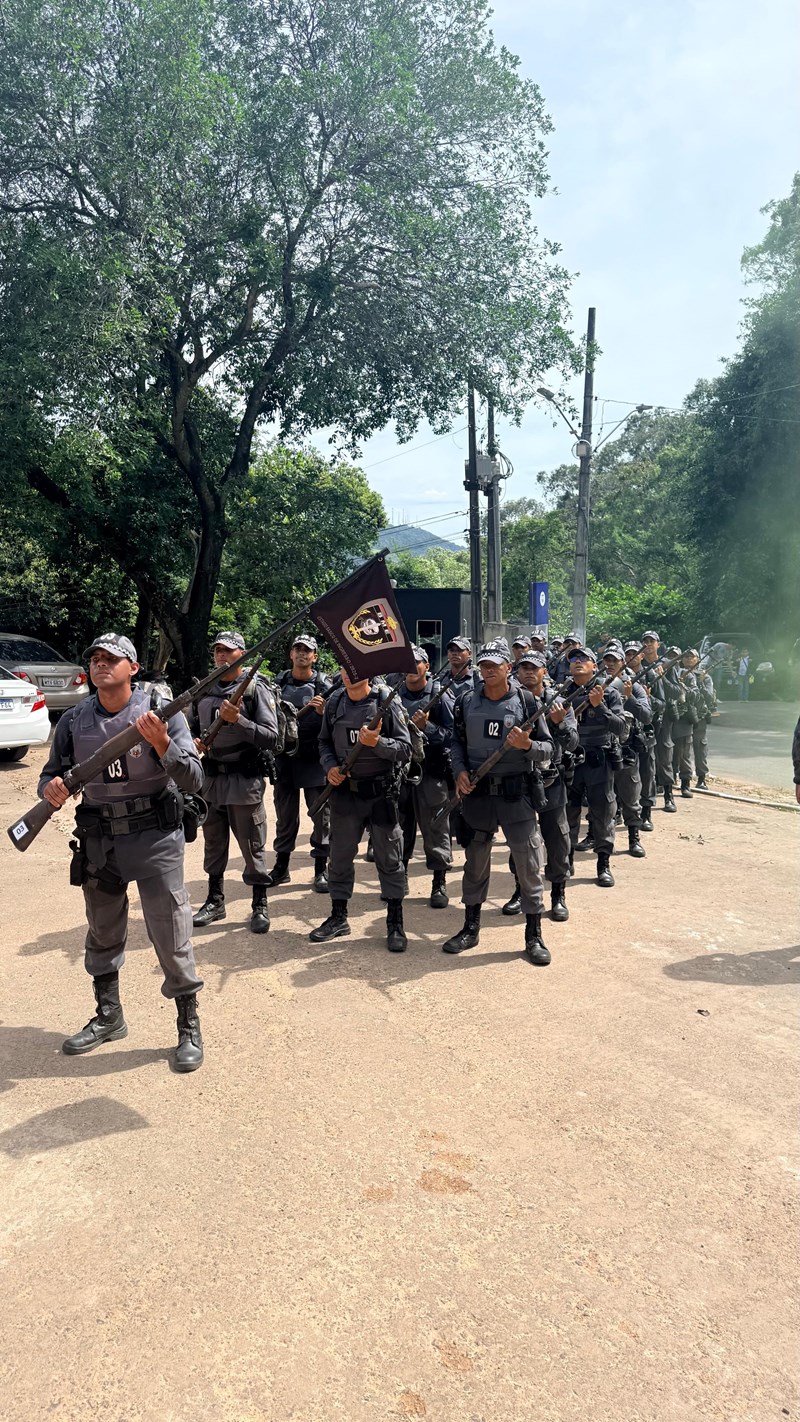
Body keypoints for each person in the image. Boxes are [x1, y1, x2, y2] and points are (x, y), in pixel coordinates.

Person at [38, 633, 206, 1071]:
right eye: (94, 658)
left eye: (112, 658)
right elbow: (49, 776)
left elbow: (194, 778)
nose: (100, 664)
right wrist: (51, 789)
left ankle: (188, 1023)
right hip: (100, 841)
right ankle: (109, 1016)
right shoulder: (74, 721)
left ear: (133, 667)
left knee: (170, 933)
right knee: (103, 931)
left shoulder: (159, 715)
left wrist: (163, 745)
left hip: (154, 837)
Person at [443, 641, 553, 966]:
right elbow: (455, 743)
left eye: (496, 664)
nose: (489, 670)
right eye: (484, 665)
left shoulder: (526, 701)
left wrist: (528, 744)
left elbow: (549, 750)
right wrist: (459, 772)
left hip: (515, 796)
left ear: (509, 667)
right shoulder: (466, 701)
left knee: (528, 863)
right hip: (478, 795)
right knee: (475, 862)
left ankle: (533, 935)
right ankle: (470, 927)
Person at [311, 668, 412, 950]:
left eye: (353, 669)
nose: (347, 674)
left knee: (390, 859)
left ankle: (395, 922)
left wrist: (377, 743)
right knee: (340, 857)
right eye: (343, 669)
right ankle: (338, 916)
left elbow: (406, 749)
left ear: (367, 674)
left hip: (381, 794)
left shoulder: (387, 703)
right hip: (345, 794)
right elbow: (323, 743)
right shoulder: (334, 703)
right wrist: (330, 766)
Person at [190, 631, 278, 934]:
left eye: (228, 651)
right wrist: (193, 742)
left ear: (242, 654)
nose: (221, 656)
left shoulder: (255, 690)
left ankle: (259, 904)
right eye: (217, 651)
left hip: (244, 779)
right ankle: (215, 900)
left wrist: (238, 719)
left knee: (252, 846)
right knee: (213, 844)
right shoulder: (204, 690)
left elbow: (271, 737)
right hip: (212, 779)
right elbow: (188, 727)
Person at [503, 649, 577, 921]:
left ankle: (558, 893)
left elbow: (572, 743)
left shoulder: (558, 702)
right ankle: (520, 890)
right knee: (520, 840)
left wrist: (558, 724)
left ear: (544, 671)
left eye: (535, 667)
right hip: (520, 778)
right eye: (524, 667)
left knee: (556, 838)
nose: (529, 672)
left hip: (551, 778)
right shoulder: (511, 700)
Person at [268, 634, 332, 892]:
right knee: (285, 817)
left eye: (308, 650)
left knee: (321, 817)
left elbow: (337, 721)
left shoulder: (325, 685)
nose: (302, 653)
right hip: (285, 758)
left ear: (314, 656)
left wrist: (323, 711)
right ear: (291, 654)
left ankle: (320, 869)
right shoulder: (278, 683)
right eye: (298, 649)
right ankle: (281, 866)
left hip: (314, 759)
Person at [564, 645, 628, 887]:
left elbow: (620, 728)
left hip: (598, 762)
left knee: (602, 814)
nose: (578, 662)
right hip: (570, 762)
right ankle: (566, 860)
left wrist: (599, 705)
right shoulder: (562, 692)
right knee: (568, 814)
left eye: (584, 658)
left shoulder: (608, 692)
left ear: (594, 666)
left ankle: (603, 864)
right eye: (574, 659)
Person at [396, 647, 454, 908]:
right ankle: (400, 874)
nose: (411, 668)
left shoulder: (440, 696)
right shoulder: (394, 696)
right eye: (407, 663)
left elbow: (454, 736)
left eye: (416, 663)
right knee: (399, 827)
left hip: (431, 772)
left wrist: (426, 727)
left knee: (435, 827)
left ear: (426, 666)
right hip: (400, 773)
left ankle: (439, 881)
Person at [602, 642, 652, 856]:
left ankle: (633, 838)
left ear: (623, 662)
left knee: (631, 796)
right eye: (607, 660)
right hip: (602, 748)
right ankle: (596, 837)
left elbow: (647, 716)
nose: (611, 664)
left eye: (615, 660)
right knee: (601, 798)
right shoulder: (597, 684)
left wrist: (630, 698)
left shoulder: (634, 685)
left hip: (625, 748)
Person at [641, 631, 679, 813]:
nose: (648, 644)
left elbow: (677, 692)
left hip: (663, 717)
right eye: (645, 641)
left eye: (651, 641)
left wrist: (662, 677)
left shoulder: (667, 666)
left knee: (664, 755)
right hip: (644, 717)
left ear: (658, 644)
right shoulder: (638, 666)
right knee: (646, 759)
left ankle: (668, 796)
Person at [624, 641, 658, 831]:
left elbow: (659, 705)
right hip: (624, 737)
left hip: (644, 735)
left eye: (634, 654)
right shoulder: (616, 680)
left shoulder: (652, 674)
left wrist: (645, 698)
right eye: (628, 654)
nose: (631, 657)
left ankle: (646, 814)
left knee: (646, 774)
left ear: (641, 655)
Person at [672, 649, 703, 797]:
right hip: (667, 718)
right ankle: (666, 782)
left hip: (683, 719)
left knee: (683, 754)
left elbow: (696, 695)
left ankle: (685, 783)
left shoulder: (688, 675)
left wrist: (683, 687)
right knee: (666, 755)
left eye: (674, 657)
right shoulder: (662, 674)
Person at [446, 636, 482, 700]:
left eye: (459, 650)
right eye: (451, 650)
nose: (454, 653)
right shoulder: (441, 679)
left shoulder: (477, 678)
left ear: (469, 654)